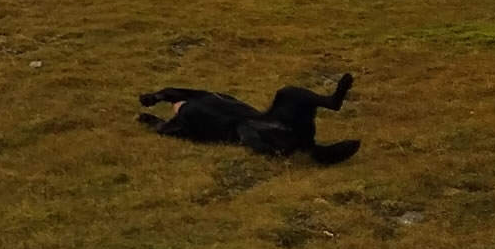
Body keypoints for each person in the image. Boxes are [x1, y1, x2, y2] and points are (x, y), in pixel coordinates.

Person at [138, 73, 358, 165]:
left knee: (287, 93)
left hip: (266, 120)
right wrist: (151, 120)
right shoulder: (183, 122)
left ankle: (331, 102)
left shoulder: (200, 97)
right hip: (255, 132)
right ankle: (302, 150)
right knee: (255, 131)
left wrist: (156, 97)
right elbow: (166, 129)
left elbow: (174, 92)